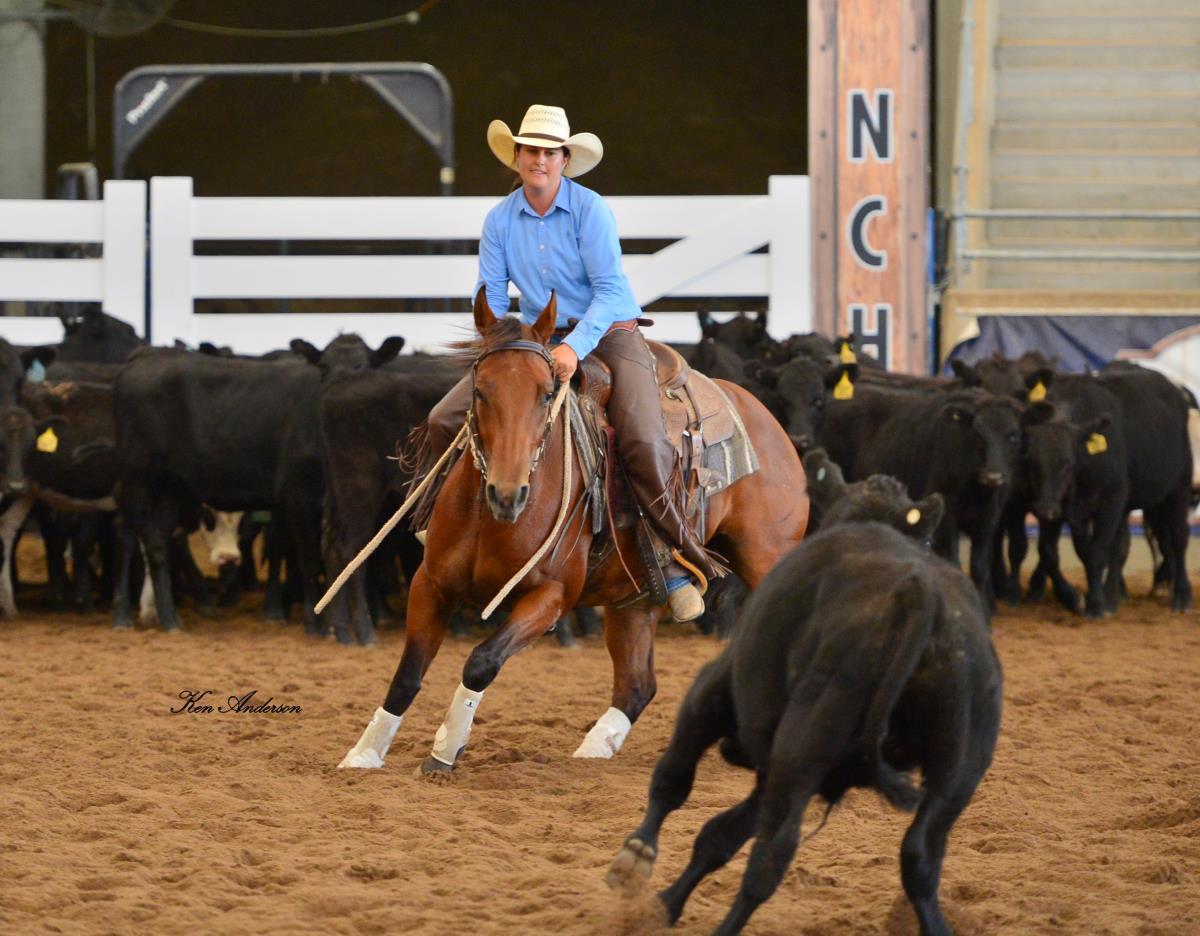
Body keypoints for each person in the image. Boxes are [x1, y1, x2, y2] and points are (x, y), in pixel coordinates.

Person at [418, 104, 717, 621]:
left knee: (643, 439)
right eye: (531, 150)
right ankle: (438, 524)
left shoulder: (589, 210)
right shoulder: (499, 219)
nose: (539, 159)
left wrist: (573, 347)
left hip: (610, 331)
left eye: (549, 152)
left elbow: (608, 290)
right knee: (443, 419)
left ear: (564, 160)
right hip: (539, 337)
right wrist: (498, 340)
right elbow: (491, 292)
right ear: (517, 157)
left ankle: (673, 558)